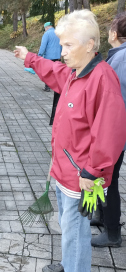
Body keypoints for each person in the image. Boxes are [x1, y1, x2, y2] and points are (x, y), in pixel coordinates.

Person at [14, 10, 126, 272]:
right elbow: (56, 72)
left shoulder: (102, 80)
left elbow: (110, 132)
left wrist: (93, 172)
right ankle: (71, 266)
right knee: (69, 229)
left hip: (82, 177)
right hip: (65, 171)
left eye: (68, 45)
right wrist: (29, 58)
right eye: (61, 45)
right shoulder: (77, 73)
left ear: (90, 45)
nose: (62, 52)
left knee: (75, 232)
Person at [90, 12, 126, 248]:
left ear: (114, 33)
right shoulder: (119, 56)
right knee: (104, 179)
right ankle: (102, 217)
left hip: (115, 133)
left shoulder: (121, 59)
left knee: (107, 180)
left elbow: (116, 100)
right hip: (116, 132)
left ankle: (112, 232)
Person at [38, 21, 62, 125]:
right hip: (57, 56)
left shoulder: (47, 34)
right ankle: (56, 86)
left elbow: (43, 45)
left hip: (48, 56)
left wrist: (39, 54)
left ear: (46, 27)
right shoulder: (58, 33)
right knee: (56, 72)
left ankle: (47, 86)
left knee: (48, 72)